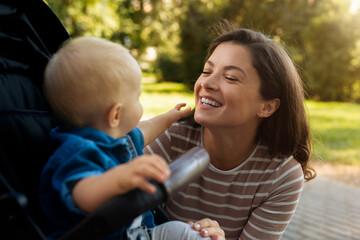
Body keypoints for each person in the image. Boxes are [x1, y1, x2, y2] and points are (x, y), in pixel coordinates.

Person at [144, 22, 316, 240]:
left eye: (231, 77)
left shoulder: (280, 175)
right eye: (207, 71)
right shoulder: (173, 138)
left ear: (267, 107)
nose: (208, 83)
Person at [38, 36, 212, 240]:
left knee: (188, 234)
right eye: (137, 97)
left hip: (139, 233)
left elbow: (145, 129)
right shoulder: (77, 151)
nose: (140, 103)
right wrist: (120, 179)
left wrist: (168, 118)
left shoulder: (122, 137)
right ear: (116, 115)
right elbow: (82, 194)